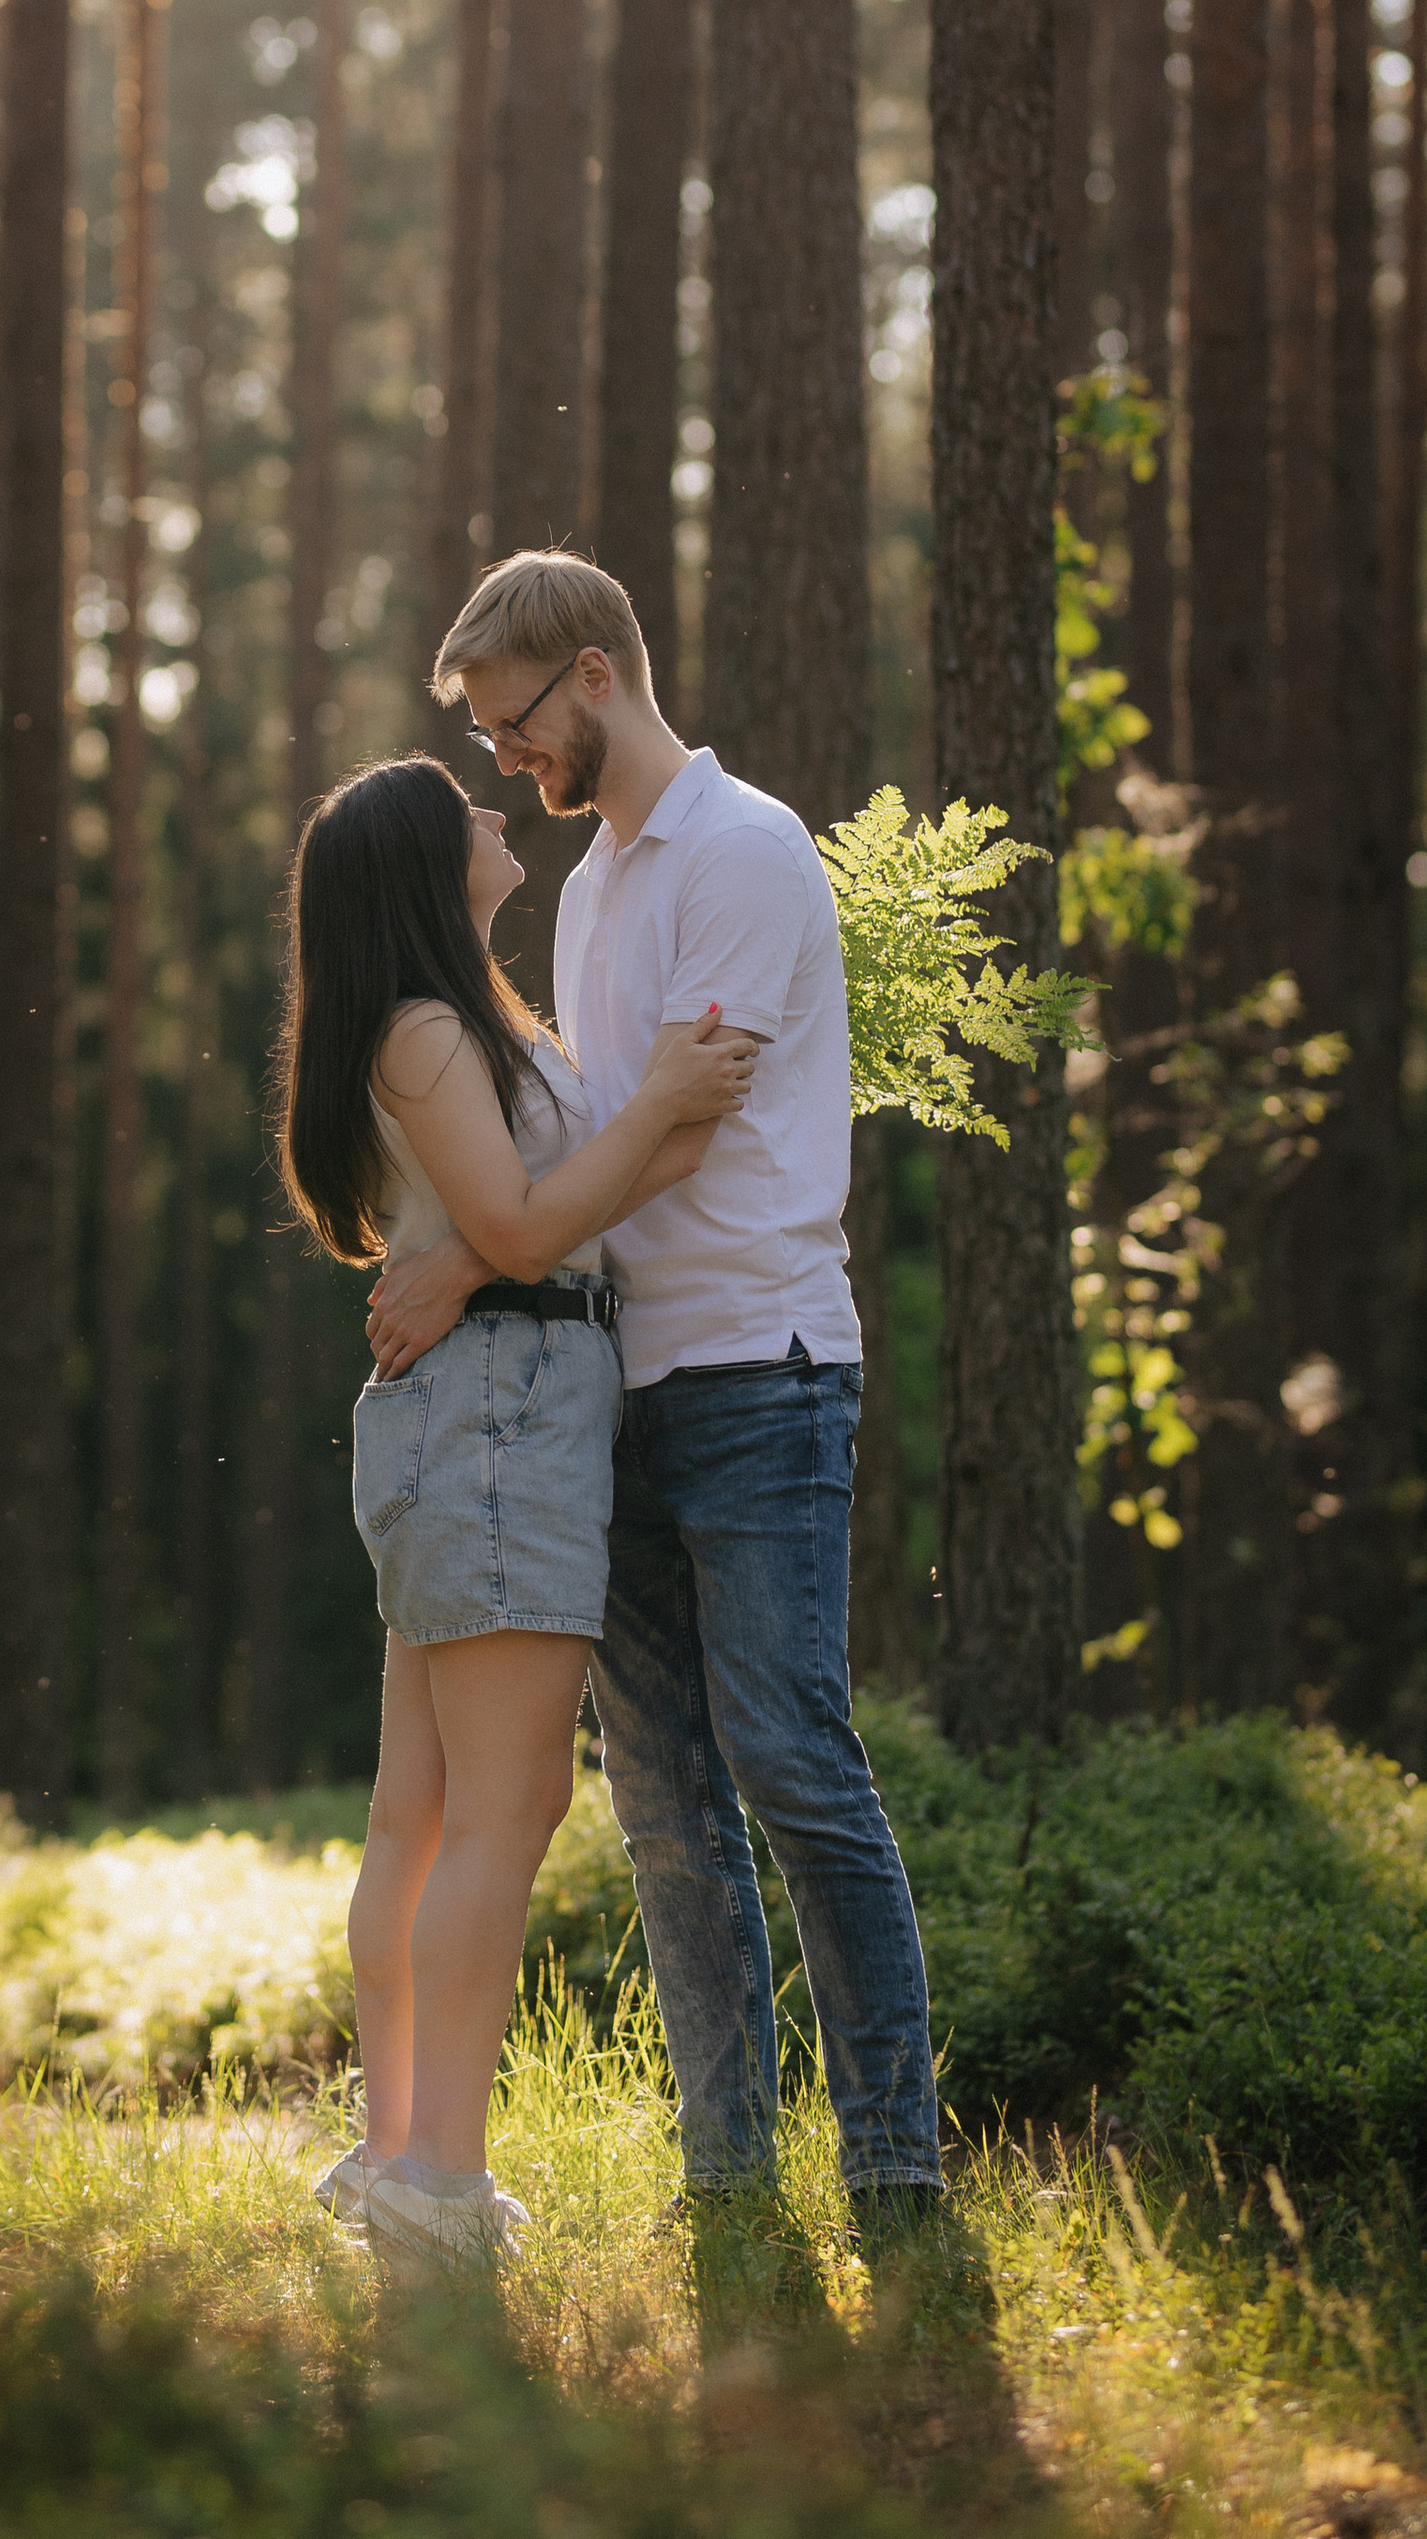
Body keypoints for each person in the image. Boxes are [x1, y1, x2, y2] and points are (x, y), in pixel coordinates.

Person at [365, 550, 945, 2221]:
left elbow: (685, 1124)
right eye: (485, 739)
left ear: (598, 676)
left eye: (515, 723)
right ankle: (730, 2179)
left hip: (762, 1363)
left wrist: (477, 1258)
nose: (506, 763)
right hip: (617, 1382)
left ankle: (896, 2167)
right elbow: (596, 1128)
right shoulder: (596, 887)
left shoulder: (747, 852)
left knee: (793, 1765)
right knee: (674, 1810)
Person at [276, 750, 757, 2266]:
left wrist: (676, 1099)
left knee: (422, 1811)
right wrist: (659, 1105)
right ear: (428, 866)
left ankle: (402, 2153)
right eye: (467, 813)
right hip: (500, 1415)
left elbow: (579, 1195)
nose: (499, 816)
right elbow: (531, 1219)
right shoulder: (425, 1033)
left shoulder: (468, 1023)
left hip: (490, 1406)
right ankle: (436, 2178)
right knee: (507, 1806)